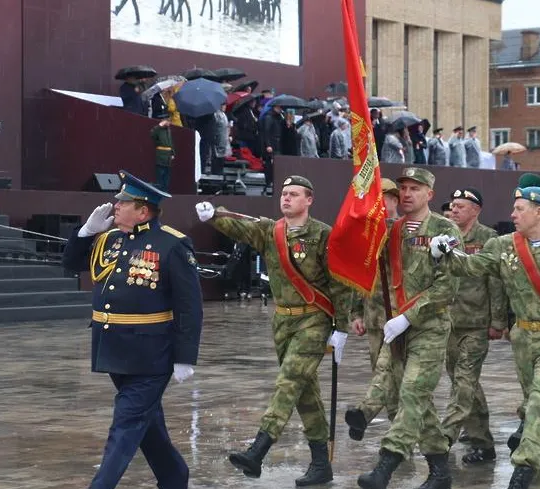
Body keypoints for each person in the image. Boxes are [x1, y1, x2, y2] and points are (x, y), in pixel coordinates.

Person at [431, 173, 540, 489]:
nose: (512, 214)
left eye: (519, 208)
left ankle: (522, 472)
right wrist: (445, 253)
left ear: (539, 210)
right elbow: (470, 267)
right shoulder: (502, 245)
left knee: (538, 404)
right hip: (524, 339)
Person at [196, 176, 352, 486]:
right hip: (283, 321)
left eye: (294, 194)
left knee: (289, 381)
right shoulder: (271, 230)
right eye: (284, 194)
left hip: (314, 319)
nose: (287, 199)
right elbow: (240, 227)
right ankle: (321, 464)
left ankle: (259, 449)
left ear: (309, 200)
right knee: (305, 393)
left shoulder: (322, 235)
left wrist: (341, 328)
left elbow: (340, 283)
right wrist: (214, 215)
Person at [62, 170, 202, 489]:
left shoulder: (172, 244)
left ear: (143, 210)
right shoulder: (110, 239)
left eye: (123, 202)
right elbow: (70, 264)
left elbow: (189, 306)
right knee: (146, 422)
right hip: (113, 349)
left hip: (152, 355)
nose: (115, 206)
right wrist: (85, 232)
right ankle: (174, 477)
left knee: (125, 425)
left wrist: (185, 356)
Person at [357, 167, 461, 489]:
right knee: (420, 402)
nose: (406, 194)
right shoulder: (392, 231)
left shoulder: (446, 229)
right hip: (397, 328)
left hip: (429, 328)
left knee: (412, 393)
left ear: (429, 194)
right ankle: (441, 472)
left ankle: (385, 467)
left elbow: (447, 287)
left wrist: (408, 316)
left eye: (415, 188)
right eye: (402, 188)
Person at [440, 187, 507, 464]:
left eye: (461, 206)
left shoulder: (488, 239)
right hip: (448, 321)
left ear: (476, 211)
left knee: (465, 381)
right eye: (453, 206)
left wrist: (498, 320)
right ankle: (481, 438)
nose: (454, 210)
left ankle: (445, 438)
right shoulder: (444, 237)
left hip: (476, 323)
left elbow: (496, 282)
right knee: (464, 382)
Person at [344, 178, 402, 440]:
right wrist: (356, 313)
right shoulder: (366, 234)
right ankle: (397, 430)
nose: (377, 205)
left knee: (388, 373)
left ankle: (365, 414)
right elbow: (360, 277)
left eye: (383, 199)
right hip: (373, 317)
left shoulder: (403, 230)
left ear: (394, 201)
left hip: (399, 317)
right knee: (385, 378)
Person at [150, 117, 174, 191]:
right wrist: (159, 126)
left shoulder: (168, 130)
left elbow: (170, 143)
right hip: (161, 155)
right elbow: (152, 134)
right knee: (160, 175)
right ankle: (159, 191)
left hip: (168, 157)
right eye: (168, 121)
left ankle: (165, 191)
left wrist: (172, 153)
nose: (169, 123)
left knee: (166, 177)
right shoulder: (158, 130)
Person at [211, 104, 230, 175]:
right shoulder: (216, 115)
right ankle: (216, 172)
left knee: (222, 158)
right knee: (216, 157)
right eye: (223, 105)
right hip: (218, 139)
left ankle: (220, 171)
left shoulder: (224, 115)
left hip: (224, 139)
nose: (225, 107)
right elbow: (215, 127)